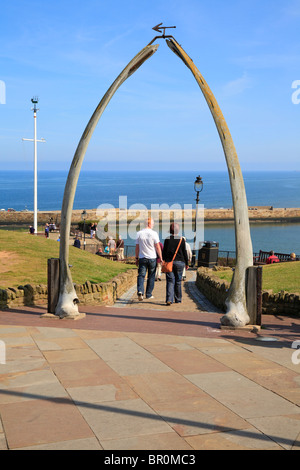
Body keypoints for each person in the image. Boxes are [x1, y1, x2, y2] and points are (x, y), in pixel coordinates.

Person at [135, 218, 162, 301]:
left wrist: (136, 258)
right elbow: (157, 246)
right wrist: (161, 257)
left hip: (142, 257)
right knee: (151, 276)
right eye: (153, 224)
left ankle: (140, 291)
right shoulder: (154, 234)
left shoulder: (139, 233)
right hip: (152, 258)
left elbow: (137, 247)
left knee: (141, 275)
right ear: (149, 224)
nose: (153, 225)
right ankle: (148, 294)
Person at [162, 223, 189, 305]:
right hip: (180, 262)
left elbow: (164, 252)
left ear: (170, 230)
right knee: (178, 281)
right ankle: (178, 299)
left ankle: (169, 299)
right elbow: (185, 252)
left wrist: (164, 260)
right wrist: (187, 263)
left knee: (170, 281)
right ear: (178, 230)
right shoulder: (182, 240)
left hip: (169, 262)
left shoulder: (167, 239)